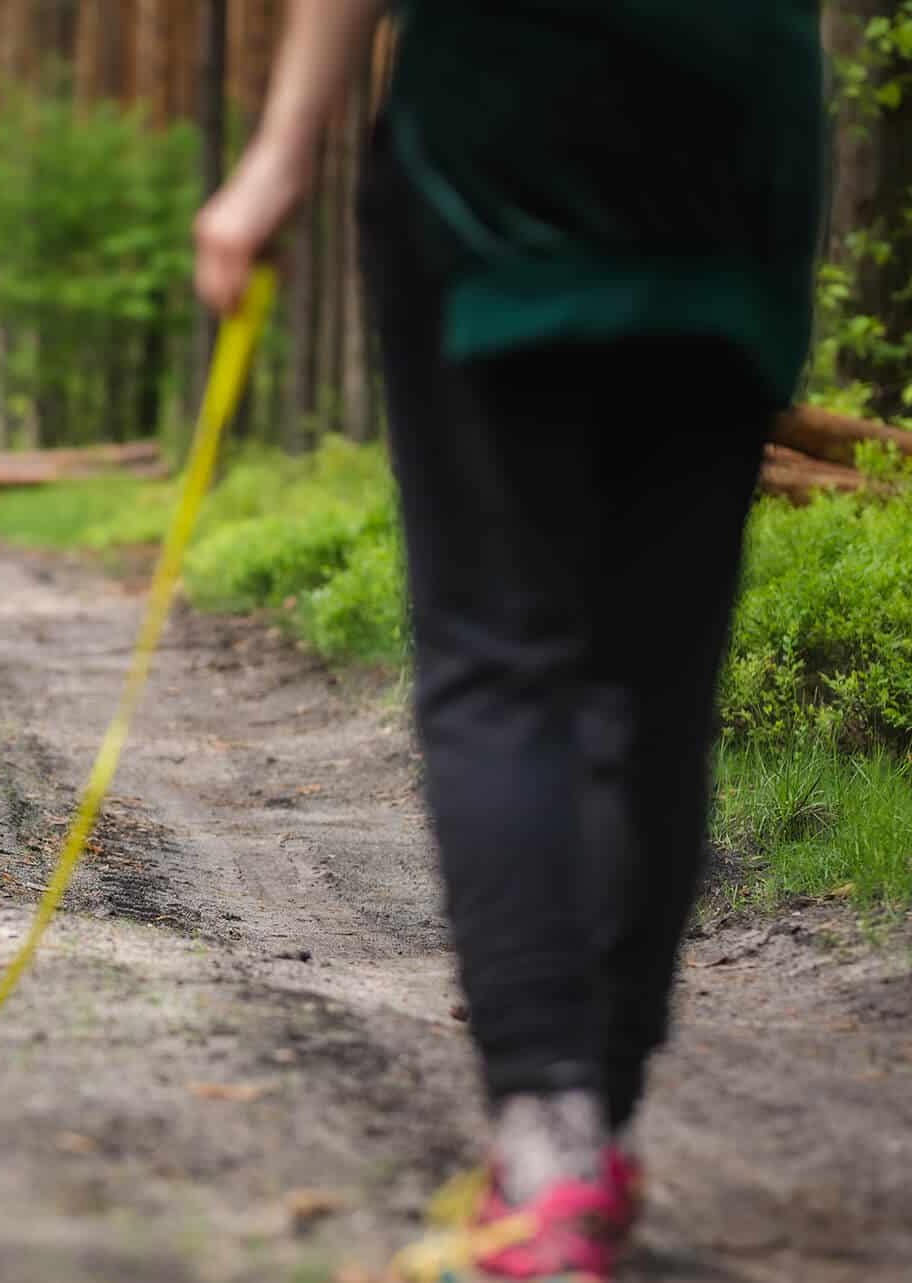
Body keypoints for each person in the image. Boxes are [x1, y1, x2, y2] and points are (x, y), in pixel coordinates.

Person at [194, 2, 825, 1279]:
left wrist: (281, 147)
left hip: (509, 124)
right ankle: (598, 1135)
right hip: (741, 121)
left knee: (502, 654)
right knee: (660, 677)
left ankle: (551, 1146)